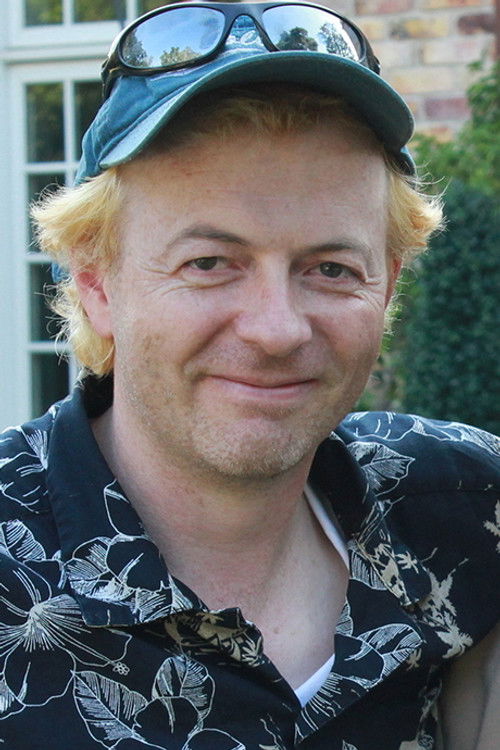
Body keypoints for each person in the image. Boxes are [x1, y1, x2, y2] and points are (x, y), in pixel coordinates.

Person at [0, 2, 498, 748]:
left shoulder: (463, 510)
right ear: (97, 283)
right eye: (208, 263)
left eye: (331, 268)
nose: (276, 329)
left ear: (387, 287)